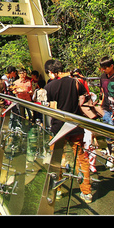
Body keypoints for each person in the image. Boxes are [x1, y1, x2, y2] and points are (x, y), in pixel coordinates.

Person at [44, 59, 93, 203]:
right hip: (75, 126)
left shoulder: (50, 86)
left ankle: (57, 190)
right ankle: (87, 191)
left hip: (58, 127)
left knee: (56, 158)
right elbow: (85, 100)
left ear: (51, 72)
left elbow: (46, 106)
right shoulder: (76, 82)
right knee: (81, 158)